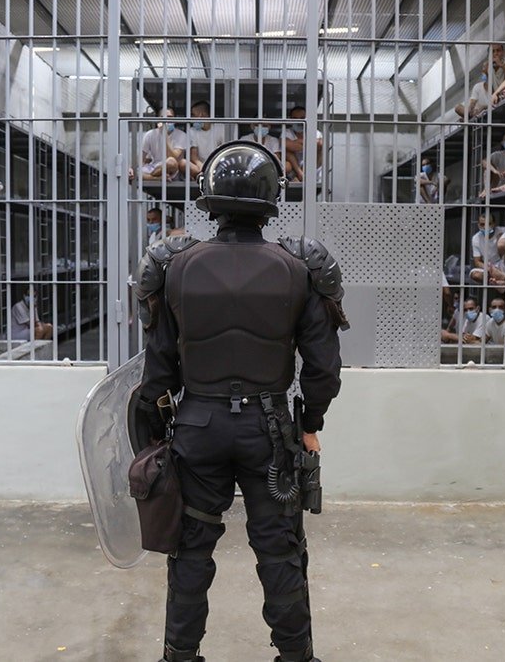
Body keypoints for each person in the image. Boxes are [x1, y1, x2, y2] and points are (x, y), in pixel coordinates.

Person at [134, 140, 343, 662]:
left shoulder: (173, 265)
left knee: (190, 551)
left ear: (208, 199)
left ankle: (180, 655)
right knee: (279, 550)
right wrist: (311, 420)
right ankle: (296, 656)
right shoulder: (302, 267)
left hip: (197, 426)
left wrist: (154, 437)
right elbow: (322, 368)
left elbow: (157, 372)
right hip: (269, 429)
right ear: (272, 198)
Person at [141, 108, 191, 181]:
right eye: (163, 117)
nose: (166, 120)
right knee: (135, 172)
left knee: (171, 161)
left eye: (170, 117)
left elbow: (173, 157)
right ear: (158, 120)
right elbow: (142, 159)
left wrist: (165, 135)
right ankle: (157, 178)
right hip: (155, 167)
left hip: (172, 169)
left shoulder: (182, 135)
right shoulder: (150, 134)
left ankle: (150, 177)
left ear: (175, 120)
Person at [468, 211, 505, 285]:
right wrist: (489, 268)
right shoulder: (476, 238)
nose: (485, 227)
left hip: (504, 264)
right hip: (488, 267)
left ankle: (499, 278)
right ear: (478, 225)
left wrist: (501, 240)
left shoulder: (504, 231)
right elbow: (477, 262)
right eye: (482, 224)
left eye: (489, 224)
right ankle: (497, 280)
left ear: (494, 224)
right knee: (475, 275)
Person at [282, 106, 323, 183]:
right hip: (295, 170)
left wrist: (295, 144)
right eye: (295, 118)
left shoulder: (316, 133)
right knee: (286, 150)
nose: (299, 121)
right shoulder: (287, 132)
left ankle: (303, 175)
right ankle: (300, 174)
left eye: (302, 118)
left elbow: (320, 144)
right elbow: (286, 145)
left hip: (312, 170)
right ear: (290, 120)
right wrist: (311, 143)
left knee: (319, 148)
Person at [187, 101, 225, 180]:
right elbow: (194, 158)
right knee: (184, 163)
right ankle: (204, 176)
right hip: (200, 167)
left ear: (202, 115)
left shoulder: (221, 128)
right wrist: (204, 169)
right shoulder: (192, 131)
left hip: (217, 165)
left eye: (193, 115)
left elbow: (224, 153)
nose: (191, 118)